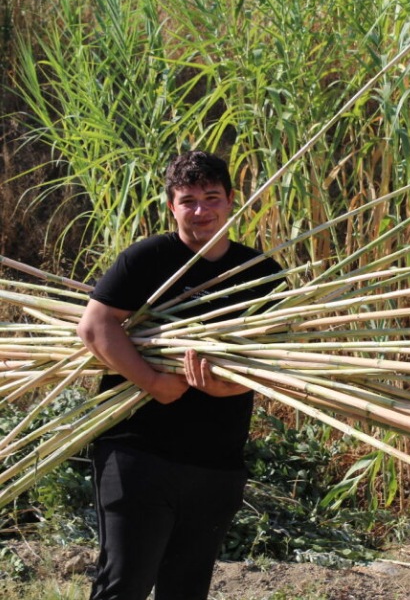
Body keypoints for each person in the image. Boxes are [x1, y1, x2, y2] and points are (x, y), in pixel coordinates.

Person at [77, 150, 282, 600]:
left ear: (231, 200)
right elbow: (95, 326)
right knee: (124, 583)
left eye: (212, 197)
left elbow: (276, 363)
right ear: (171, 206)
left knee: (187, 590)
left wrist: (228, 386)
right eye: (188, 200)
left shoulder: (261, 274)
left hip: (216, 460)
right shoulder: (147, 260)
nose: (201, 211)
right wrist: (156, 384)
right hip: (138, 454)